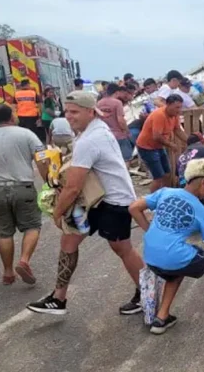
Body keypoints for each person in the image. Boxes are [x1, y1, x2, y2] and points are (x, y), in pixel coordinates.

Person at [26, 91, 145, 316]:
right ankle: (58, 298)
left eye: (75, 112)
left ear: (90, 111)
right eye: (67, 111)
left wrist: (57, 212)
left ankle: (147, 292)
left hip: (114, 201)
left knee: (122, 248)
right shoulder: (93, 130)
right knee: (69, 239)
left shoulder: (91, 139)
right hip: (95, 200)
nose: (69, 116)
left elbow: (72, 187)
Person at [129, 158, 204, 334]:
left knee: (180, 264)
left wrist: (150, 231)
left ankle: (161, 319)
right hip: (171, 256)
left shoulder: (166, 192)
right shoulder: (201, 211)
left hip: (151, 255)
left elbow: (134, 208)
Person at [0, 104, 49, 285]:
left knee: (4, 233)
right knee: (32, 226)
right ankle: (24, 261)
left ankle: (7, 273)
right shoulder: (27, 134)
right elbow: (42, 160)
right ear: (12, 117)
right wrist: (49, 183)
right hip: (23, 188)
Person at [136, 94, 188, 193]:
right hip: (147, 147)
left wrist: (189, 141)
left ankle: (166, 196)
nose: (179, 110)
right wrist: (171, 145)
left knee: (167, 174)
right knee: (158, 177)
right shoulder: (159, 115)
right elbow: (157, 136)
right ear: (168, 105)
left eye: (180, 107)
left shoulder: (174, 115)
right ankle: (152, 202)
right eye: (176, 107)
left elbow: (177, 130)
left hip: (158, 146)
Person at [97, 84, 133, 168]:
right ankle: (124, 177)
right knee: (126, 159)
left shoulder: (99, 103)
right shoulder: (117, 103)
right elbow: (120, 120)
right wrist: (127, 131)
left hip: (105, 135)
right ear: (117, 92)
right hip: (119, 136)